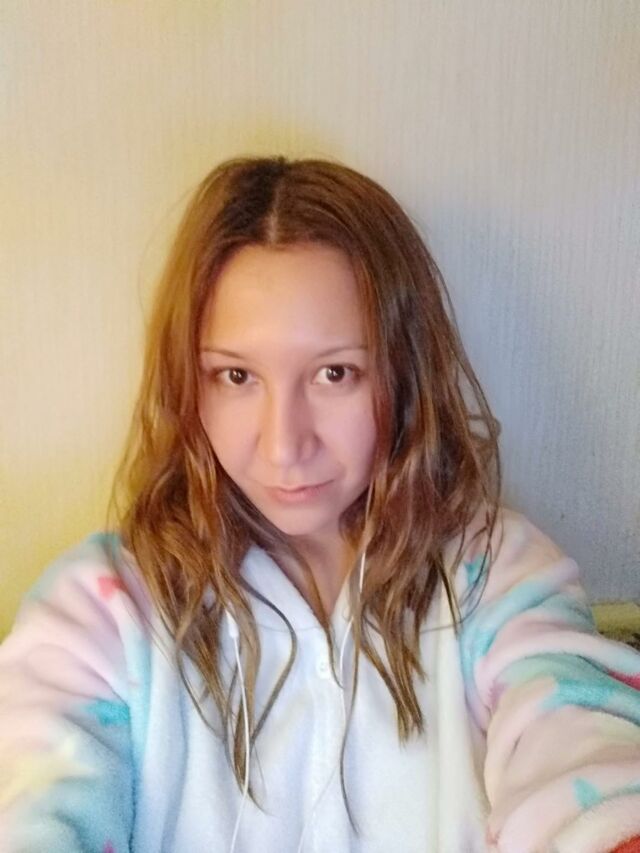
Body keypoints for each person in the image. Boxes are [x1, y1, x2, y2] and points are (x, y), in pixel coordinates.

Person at [1, 157, 639, 853]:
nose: (284, 446)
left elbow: (577, 745)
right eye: (236, 376)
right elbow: (35, 795)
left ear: (402, 372)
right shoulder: (103, 611)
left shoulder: (496, 578)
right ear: (189, 383)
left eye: (335, 373)